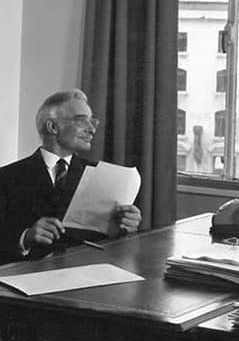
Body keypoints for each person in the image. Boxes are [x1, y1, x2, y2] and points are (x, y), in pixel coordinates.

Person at [0, 89, 142, 263]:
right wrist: (25, 237)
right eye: (82, 120)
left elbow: (112, 243)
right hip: (26, 278)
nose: (91, 129)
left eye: (92, 121)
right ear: (52, 127)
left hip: (88, 275)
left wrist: (127, 225)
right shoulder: (6, 177)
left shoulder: (103, 176)